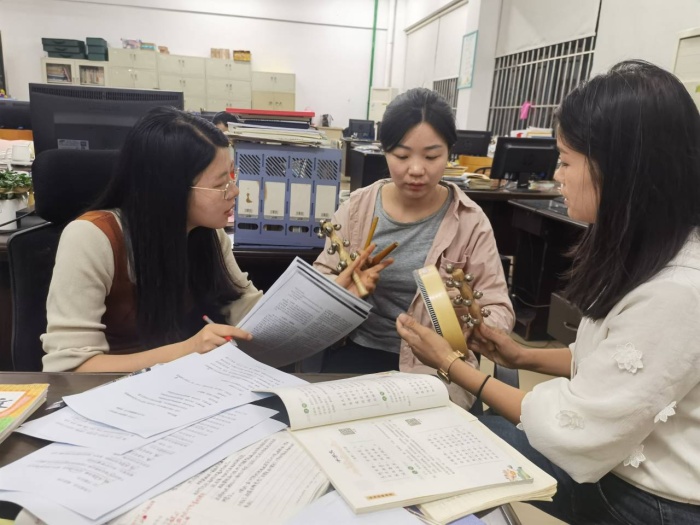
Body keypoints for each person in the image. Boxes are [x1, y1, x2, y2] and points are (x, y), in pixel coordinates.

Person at [396, 61, 700, 523]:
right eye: (401, 155)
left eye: (565, 160)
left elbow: (574, 424)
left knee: (458, 439)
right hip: (615, 458)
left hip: (647, 499)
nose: (557, 175)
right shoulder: (651, 245)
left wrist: (451, 364)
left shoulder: (676, 291)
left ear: (621, 170)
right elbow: (615, 358)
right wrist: (521, 356)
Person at [42, 107, 381, 373]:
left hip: (189, 390)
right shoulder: (92, 238)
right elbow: (71, 367)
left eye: (232, 177)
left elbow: (250, 314)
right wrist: (188, 350)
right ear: (170, 189)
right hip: (114, 401)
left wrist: (331, 297)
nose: (235, 192)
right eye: (221, 184)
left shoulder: (207, 233)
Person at [314, 88, 514, 409]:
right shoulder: (357, 209)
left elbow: (499, 308)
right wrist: (343, 289)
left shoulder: (470, 221)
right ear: (384, 152)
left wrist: (471, 318)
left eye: (432, 157)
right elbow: (319, 283)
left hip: (438, 367)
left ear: (449, 153)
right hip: (359, 351)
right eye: (402, 156)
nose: (417, 169)